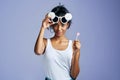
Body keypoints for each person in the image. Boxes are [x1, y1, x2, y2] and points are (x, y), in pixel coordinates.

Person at [34, 5, 81, 80]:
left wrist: (77, 52)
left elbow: (74, 75)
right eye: (56, 25)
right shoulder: (45, 42)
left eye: (62, 25)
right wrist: (43, 27)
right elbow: (38, 51)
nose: (59, 28)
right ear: (52, 25)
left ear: (67, 25)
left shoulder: (74, 45)